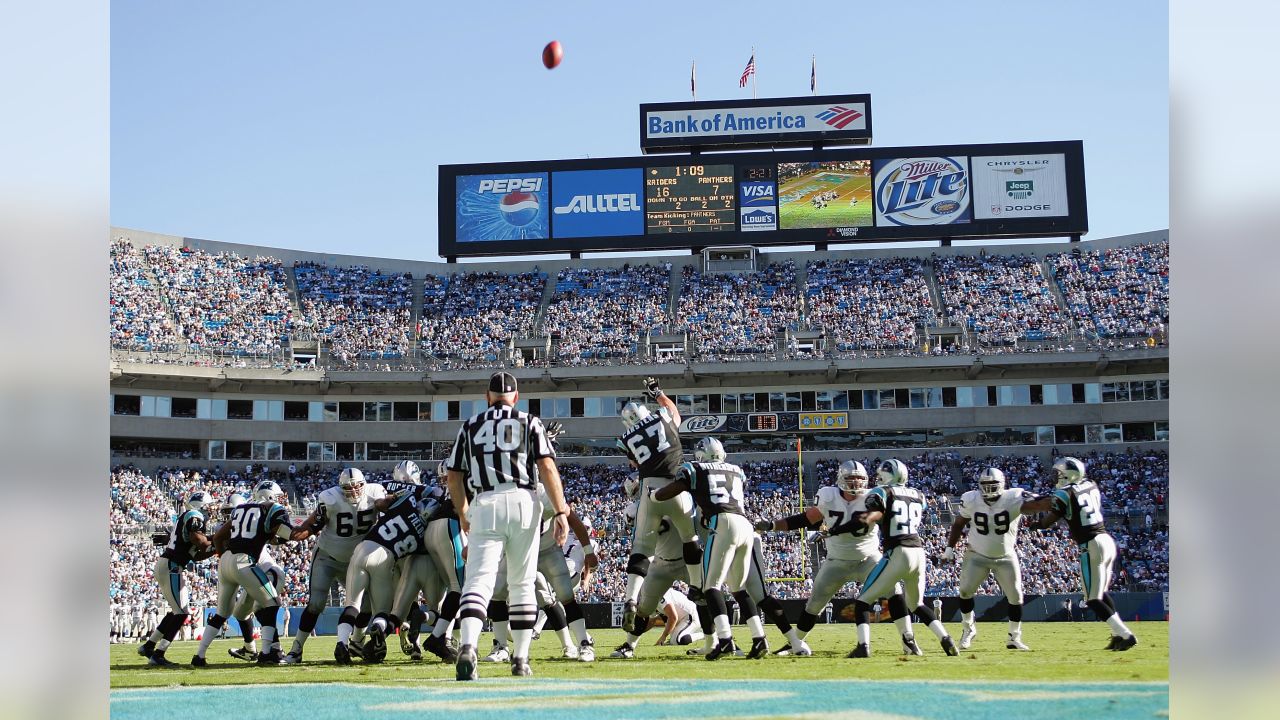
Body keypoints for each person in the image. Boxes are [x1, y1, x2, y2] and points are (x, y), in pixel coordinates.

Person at [446, 372, 570, 680]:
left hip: (485, 502)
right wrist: (560, 511)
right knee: (521, 583)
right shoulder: (529, 421)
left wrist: (463, 512)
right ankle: (521, 658)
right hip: (523, 500)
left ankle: (469, 646)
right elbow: (547, 466)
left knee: (478, 582)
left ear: (487, 396)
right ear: (516, 397)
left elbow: (454, 476)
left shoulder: (470, 425)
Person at [755, 460, 915, 657]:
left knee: (894, 591)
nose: (856, 483)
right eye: (851, 479)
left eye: (859, 479)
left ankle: (908, 639)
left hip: (869, 558)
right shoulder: (828, 495)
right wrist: (772, 526)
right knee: (814, 604)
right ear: (841, 478)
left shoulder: (874, 496)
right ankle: (795, 643)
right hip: (836, 561)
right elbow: (806, 519)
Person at [832, 459, 958, 658]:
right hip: (919, 552)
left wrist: (834, 530)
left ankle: (863, 646)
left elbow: (866, 519)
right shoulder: (919, 495)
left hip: (898, 550)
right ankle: (945, 639)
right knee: (917, 604)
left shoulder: (883, 492)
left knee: (863, 602)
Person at [654, 436, 763, 660]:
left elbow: (674, 489)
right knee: (739, 588)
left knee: (710, 587)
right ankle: (759, 638)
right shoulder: (736, 469)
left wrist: (654, 495)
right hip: (745, 524)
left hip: (722, 523)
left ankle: (724, 640)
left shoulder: (695, 467)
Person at [1023, 457, 1138, 651]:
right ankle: (1118, 634)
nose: (1056, 477)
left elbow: (1051, 518)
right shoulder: (1091, 484)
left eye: (1058, 474)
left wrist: (1037, 525)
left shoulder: (1064, 493)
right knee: (1100, 594)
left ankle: (1127, 635)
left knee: (1092, 599)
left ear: (1068, 474)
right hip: (1107, 540)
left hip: (1091, 544)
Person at [617, 377, 702, 632]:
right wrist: (658, 394)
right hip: (676, 485)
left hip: (649, 489)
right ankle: (696, 586)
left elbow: (635, 464)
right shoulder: (663, 417)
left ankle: (631, 598)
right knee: (690, 538)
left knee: (642, 547)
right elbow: (674, 412)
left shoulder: (625, 438)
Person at [193, 480, 303, 666]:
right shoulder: (269, 509)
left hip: (227, 563)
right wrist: (308, 529)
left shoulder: (240, 511)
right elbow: (287, 534)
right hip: (246, 563)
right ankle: (269, 652)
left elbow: (218, 537)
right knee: (272, 603)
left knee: (225, 613)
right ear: (269, 497)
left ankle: (199, 656)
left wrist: (221, 554)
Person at [283, 468, 387, 664]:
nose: (353, 491)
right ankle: (296, 649)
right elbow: (313, 524)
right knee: (315, 604)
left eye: (356, 487)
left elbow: (384, 505)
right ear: (341, 488)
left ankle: (356, 641)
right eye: (348, 488)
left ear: (363, 485)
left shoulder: (375, 493)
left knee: (365, 607)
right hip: (327, 557)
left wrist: (389, 501)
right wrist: (299, 533)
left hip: (355, 562)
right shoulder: (329, 498)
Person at [335, 474, 429, 664]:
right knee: (383, 611)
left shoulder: (406, 504)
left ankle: (342, 643)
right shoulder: (422, 536)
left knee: (352, 604)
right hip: (385, 558)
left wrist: (393, 497)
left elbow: (380, 505)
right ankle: (378, 628)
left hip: (364, 547)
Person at [940, 467, 1033, 651]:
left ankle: (1014, 637)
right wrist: (950, 548)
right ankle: (968, 628)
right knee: (965, 591)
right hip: (977, 554)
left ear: (1002, 485)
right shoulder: (971, 499)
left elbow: (1038, 504)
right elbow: (958, 524)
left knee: (1016, 596)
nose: (989, 489)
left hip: (1005, 555)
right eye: (985, 485)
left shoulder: (1014, 497)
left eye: (993, 485)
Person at [137, 491, 214, 667]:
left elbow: (197, 555)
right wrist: (217, 542)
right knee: (181, 612)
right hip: (171, 566)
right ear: (201, 505)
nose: (211, 510)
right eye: (209, 506)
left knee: (177, 610)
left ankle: (149, 646)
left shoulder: (186, 517)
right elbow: (200, 542)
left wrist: (215, 548)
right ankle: (159, 654)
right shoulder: (194, 515)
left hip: (171, 565)